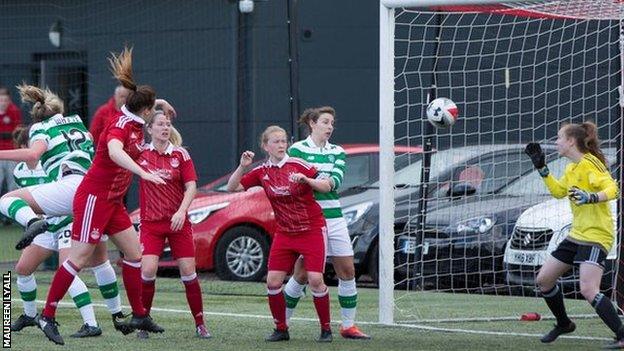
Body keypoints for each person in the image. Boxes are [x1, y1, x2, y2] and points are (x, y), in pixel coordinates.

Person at [36, 46, 174, 345]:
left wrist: (161, 102)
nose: (158, 115)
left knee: (134, 254)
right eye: (155, 110)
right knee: (79, 258)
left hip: (112, 202)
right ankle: (47, 315)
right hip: (93, 199)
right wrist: (143, 172)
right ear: (147, 111)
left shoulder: (137, 118)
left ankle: (138, 314)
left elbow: (146, 104)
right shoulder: (121, 126)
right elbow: (114, 151)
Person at [9, 125, 122, 339]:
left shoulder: (57, 160)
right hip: (44, 225)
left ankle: (91, 323)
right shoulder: (19, 171)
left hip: (68, 220)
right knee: (23, 268)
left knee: (67, 269)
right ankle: (29, 315)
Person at [227, 125, 334, 343]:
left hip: (311, 229)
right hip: (285, 233)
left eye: (284, 141)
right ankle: (281, 329)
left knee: (315, 280)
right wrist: (242, 166)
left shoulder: (298, 165)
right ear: (265, 146)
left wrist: (307, 180)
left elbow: (327, 185)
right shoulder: (262, 171)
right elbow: (233, 187)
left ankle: (326, 329)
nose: (281, 145)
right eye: (275, 141)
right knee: (273, 282)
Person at [525, 122, 622, 348]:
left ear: (570, 141)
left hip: (597, 235)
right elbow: (559, 192)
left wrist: (591, 197)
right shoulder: (571, 168)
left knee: (588, 289)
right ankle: (564, 323)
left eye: (559, 138)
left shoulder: (591, 164)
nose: (556, 142)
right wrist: (542, 169)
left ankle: (621, 334)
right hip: (577, 234)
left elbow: (613, 189)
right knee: (544, 280)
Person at [285, 106, 370, 339]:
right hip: (309, 221)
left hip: (334, 218)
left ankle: (348, 326)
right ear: (312, 123)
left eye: (332, 123)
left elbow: (333, 183)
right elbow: (294, 184)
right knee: (302, 275)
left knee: (348, 270)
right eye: (325, 122)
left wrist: (310, 180)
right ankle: (282, 324)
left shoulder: (338, 152)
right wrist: (313, 181)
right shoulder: (296, 150)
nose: (330, 127)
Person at [136, 110, 210, 339]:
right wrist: (157, 105)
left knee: (188, 271)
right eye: (160, 124)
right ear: (149, 129)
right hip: (151, 224)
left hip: (178, 223)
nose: (165, 127)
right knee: (147, 270)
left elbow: (191, 187)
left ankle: (200, 323)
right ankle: (144, 322)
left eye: (168, 124)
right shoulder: (140, 153)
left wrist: (181, 211)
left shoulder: (180, 155)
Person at [0, 84, 93, 250]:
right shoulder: (79, 124)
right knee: (104, 261)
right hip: (91, 190)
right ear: (60, 110)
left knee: (6, 200)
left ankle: (33, 222)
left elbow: (33, 155)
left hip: (69, 195)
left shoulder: (41, 128)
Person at [0, 86, 22, 217]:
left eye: (5, 100)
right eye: (0, 100)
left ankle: (12, 216)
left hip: (11, 154)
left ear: (9, 101)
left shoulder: (14, 111)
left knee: (12, 185)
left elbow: (17, 132)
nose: (3, 102)